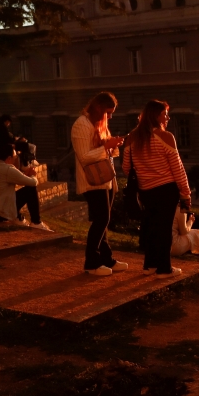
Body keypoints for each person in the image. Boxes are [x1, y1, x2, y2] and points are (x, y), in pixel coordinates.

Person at [123, 100, 191, 277]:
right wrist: (185, 191)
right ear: (155, 116)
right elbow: (177, 168)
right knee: (165, 229)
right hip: (166, 189)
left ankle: (150, 265)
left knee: (152, 226)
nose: (167, 117)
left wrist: (145, 172)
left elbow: (126, 167)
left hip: (145, 190)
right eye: (165, 114)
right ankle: (164, 268)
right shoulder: (165, 137)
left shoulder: (132, 137)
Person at [72, 92, 127, 276]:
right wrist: (105, 147)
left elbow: (107, 153)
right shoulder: (81, 124)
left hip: (105, 178)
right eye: (108, 112)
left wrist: (113, 145)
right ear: (98, 108)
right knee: (101, 219)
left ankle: (106, 259)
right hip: (91, 180)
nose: (110, 116)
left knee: (104, 220)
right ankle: (91, 262)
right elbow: (84, 157)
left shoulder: (101, 124)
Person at [0, 142, 51, 231]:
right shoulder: (8, 169)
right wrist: (32, 174)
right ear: (9, 158)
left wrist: (24, 175)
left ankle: (19, 218)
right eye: (15, 157)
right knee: (30, 190)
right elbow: (33, 182)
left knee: (8, 194)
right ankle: (36, 222)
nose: (16, 159)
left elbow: (14, 180)